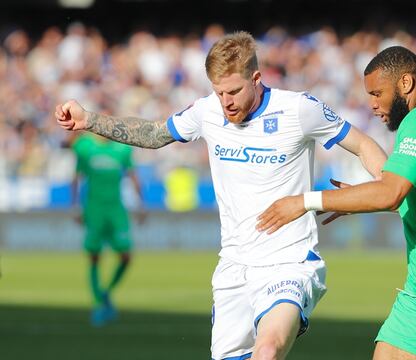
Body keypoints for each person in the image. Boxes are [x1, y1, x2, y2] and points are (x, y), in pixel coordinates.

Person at [55, 31, 387, 360]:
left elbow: (362, 143)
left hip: (289, 262)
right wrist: (89, 120)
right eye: (218, 92)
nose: (226, 101)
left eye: (233, 91)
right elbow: (154, 134)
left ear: (256, 78)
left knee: (268, 350)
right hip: (234, 268)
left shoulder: (299, 109)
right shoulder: (206, 112)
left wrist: (386, 182)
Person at [257, 46, 416, 360]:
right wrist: (356, 198)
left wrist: (305, 201)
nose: (372, 104)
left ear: (406, 84)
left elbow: (390, 193)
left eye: (377, 93)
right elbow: (406, 196)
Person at [70, 132, 144, 327]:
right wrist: (75, 206)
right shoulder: (86, 148)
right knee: (94, 256)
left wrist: (140, 205)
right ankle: (98, 304)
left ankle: (105, 293)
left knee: (126, 256)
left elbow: (133, 175)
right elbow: (76, 177)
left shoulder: (122, 149)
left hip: (116, 210)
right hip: (94, 209)